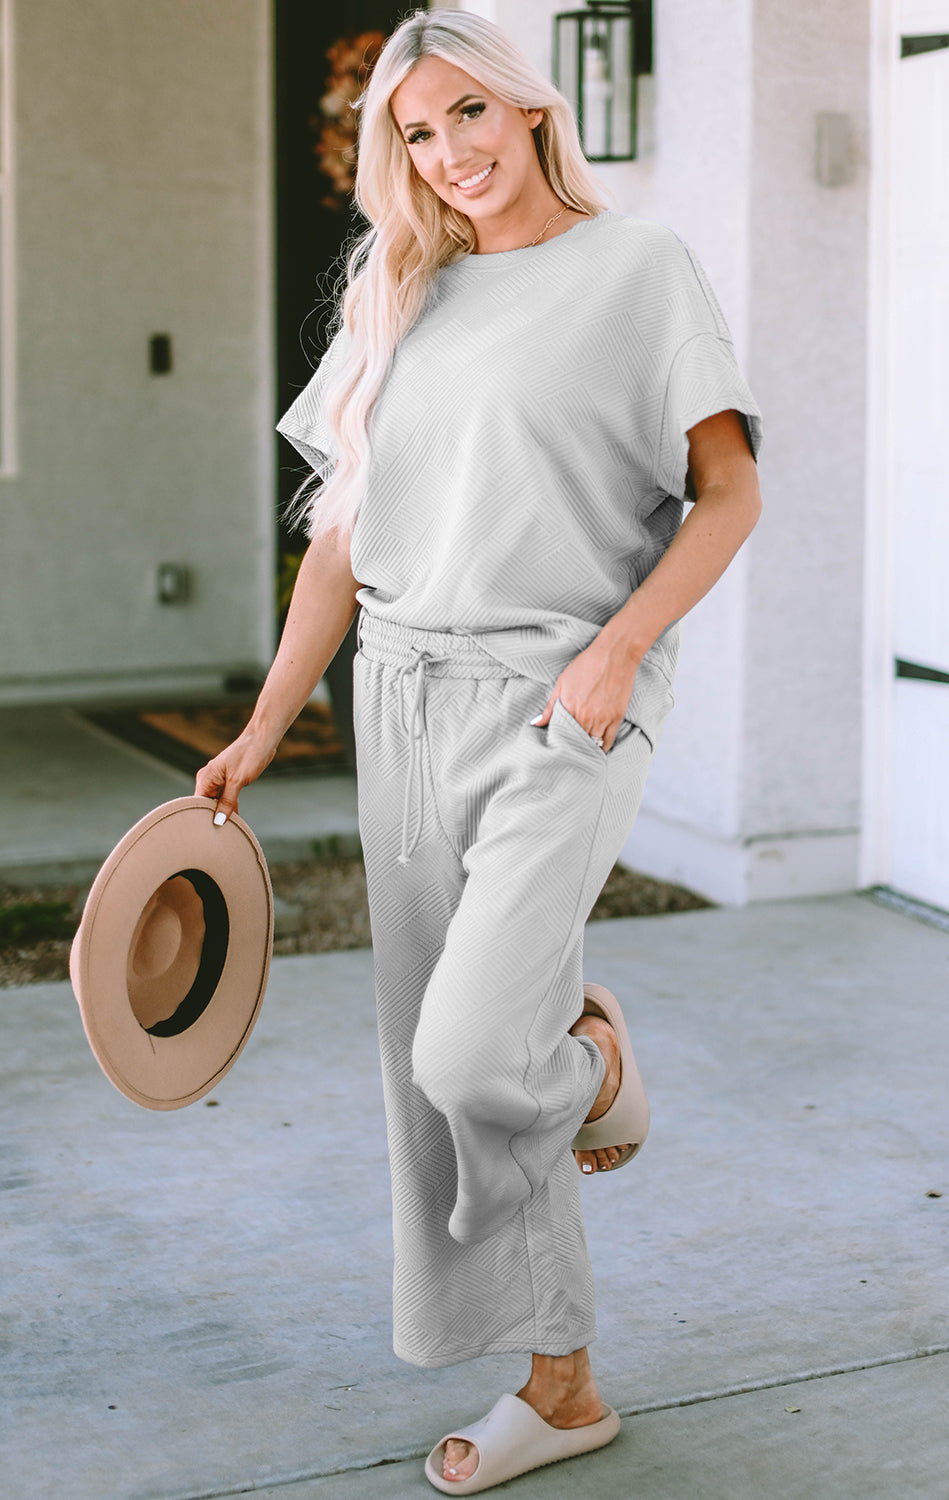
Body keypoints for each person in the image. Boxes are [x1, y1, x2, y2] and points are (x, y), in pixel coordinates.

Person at [194, 8, 763, 1493]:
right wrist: (263, 729)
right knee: (426, 1076)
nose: (446, 153)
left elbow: (727, 493)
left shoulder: (639, 269)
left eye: (464, 114)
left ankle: (585, 1067)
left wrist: (618, 648)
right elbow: (336, 547)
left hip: (560, 700)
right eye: (414, 132)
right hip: (398, 703)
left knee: (473, 1052)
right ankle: (560, 1385)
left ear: (527, 108)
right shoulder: (396, 291)